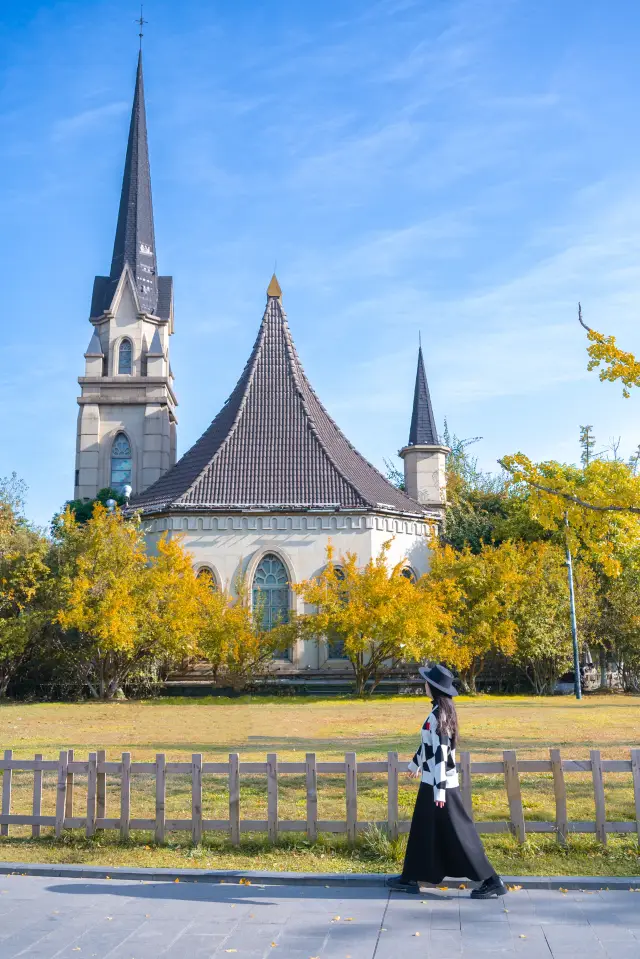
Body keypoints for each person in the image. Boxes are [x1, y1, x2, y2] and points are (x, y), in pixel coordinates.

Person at [386, 664, 507, 899]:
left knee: (461, 833)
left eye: (426, 682)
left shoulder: (440, 715)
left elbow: (441, 754)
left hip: (440, 786)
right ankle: (409, 877)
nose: (423, 685)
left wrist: (439, 792)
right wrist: (415, 764)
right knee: (423, 830)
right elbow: (427, 746)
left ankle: (492, 880)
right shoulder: (438, 712)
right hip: (433, 783)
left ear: (432, 687)